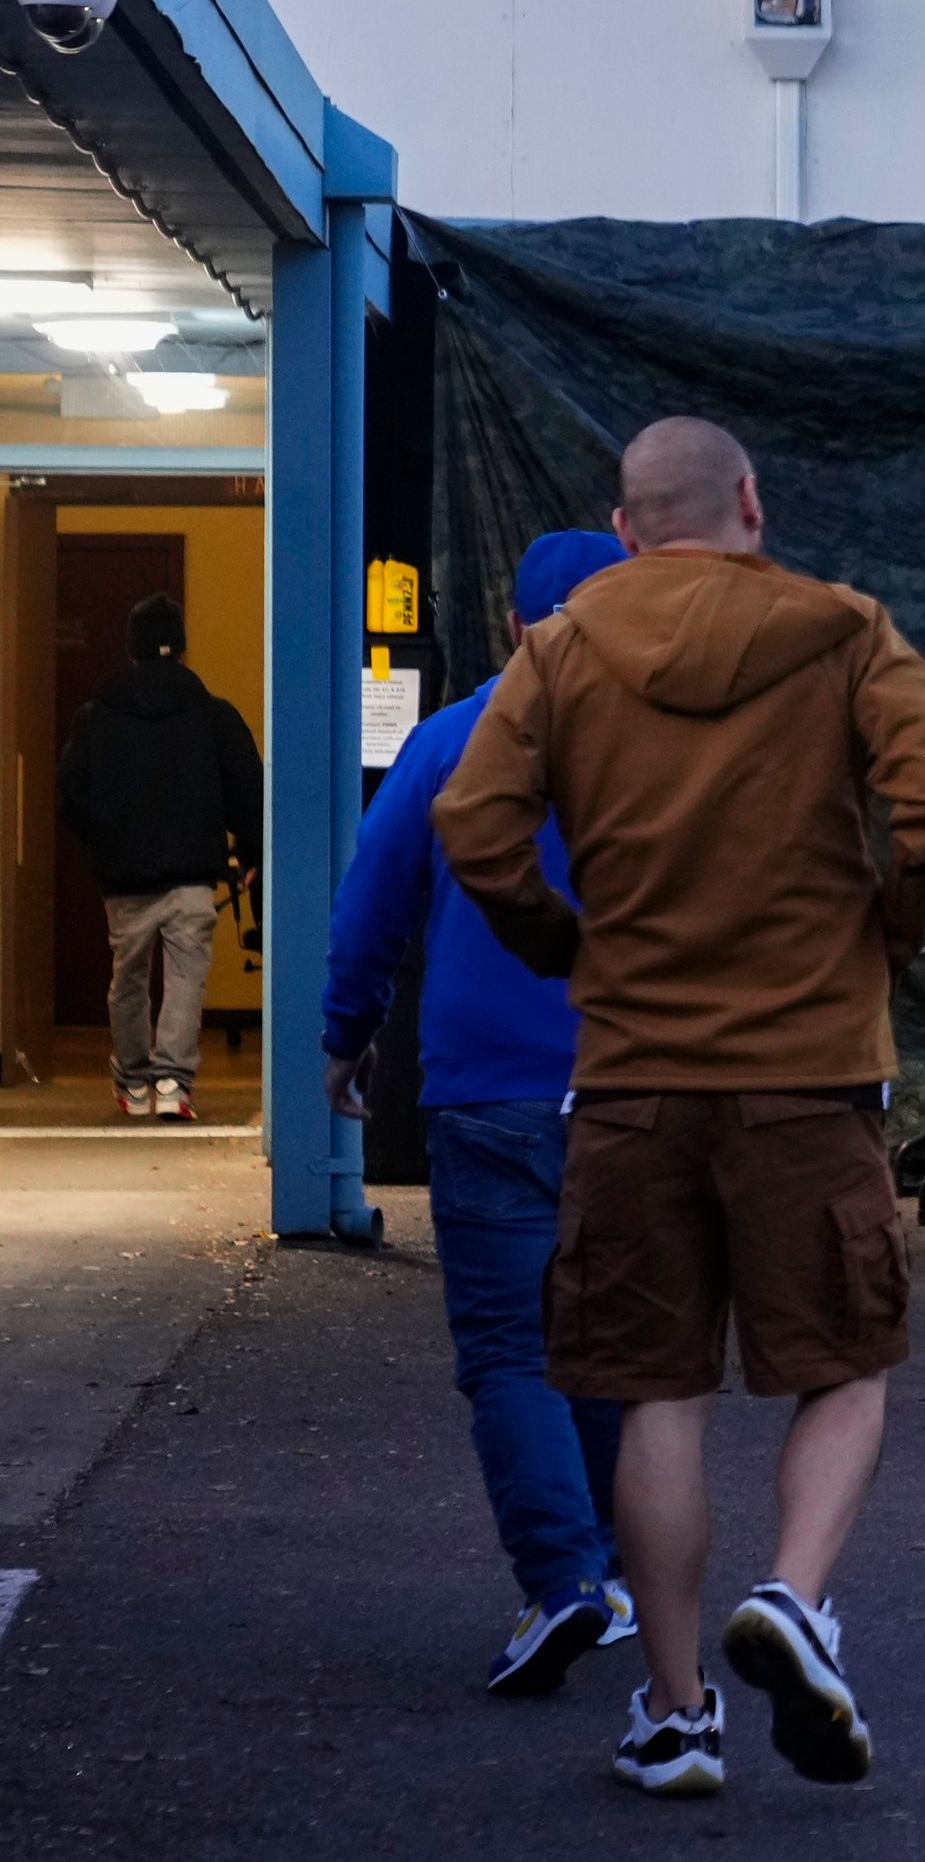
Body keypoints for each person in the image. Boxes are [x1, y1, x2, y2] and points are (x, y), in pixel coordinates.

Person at [438, 418, 925, 1800]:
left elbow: (474, 824)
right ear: (750, 500)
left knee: (655, 1392)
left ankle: (676, 1715)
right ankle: (794, 1600)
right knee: (844, 1367)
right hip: (809, 1074)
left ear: (626, 530)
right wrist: (884, 932)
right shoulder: (846, 631)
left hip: (628, 1081)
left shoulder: (561, 650)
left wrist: (569, 947)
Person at [323, 530, 636, 1698]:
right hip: (635, 1088)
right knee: (609, 1347)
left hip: (485, 1091)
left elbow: (374, 893)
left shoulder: (454, 738)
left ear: (513, 626)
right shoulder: (681, 750)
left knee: (513, 1348)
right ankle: (607, 1574)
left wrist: (342, 1035)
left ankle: (558, 1580)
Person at [56, 591, 261, 1122]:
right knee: (186, 977)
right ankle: (173, 1082)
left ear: (131, 649)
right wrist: (253, 850)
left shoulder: (95, 716)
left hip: (123, 877)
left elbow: (70, 793)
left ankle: (132, 1081)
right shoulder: (213, 714)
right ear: (183, 649)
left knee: (128, 977)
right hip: (193, 875)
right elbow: (248, 787)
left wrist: (102, 843)